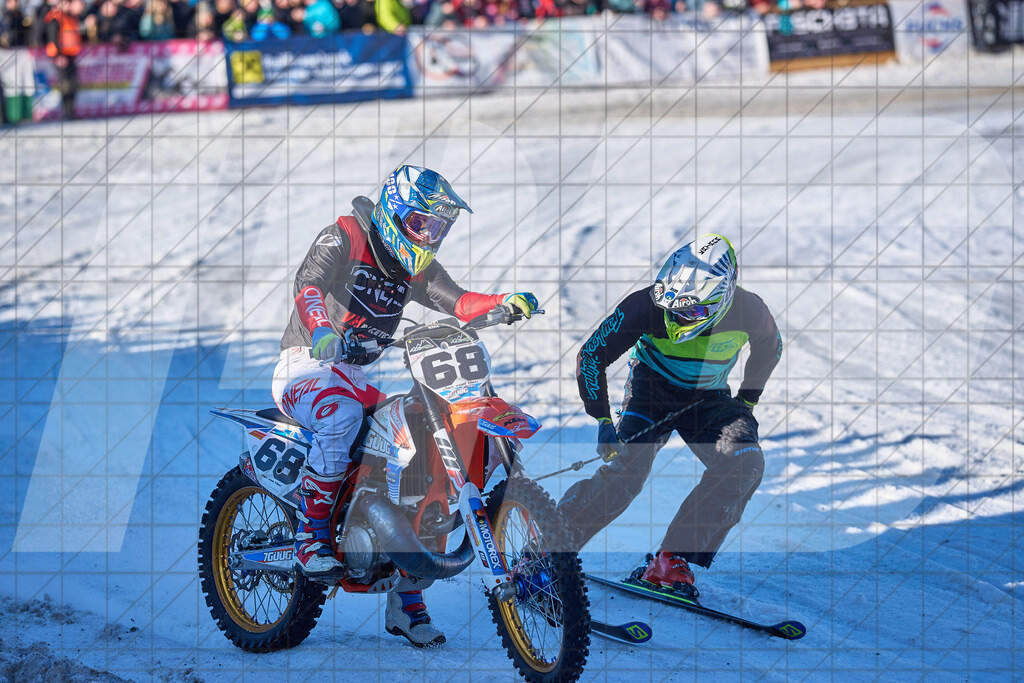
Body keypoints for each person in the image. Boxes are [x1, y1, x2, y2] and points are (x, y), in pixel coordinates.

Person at [271, 165, 539, 647]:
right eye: (423, 223)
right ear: (395, 211)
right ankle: (311, 535)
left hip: (354, 377)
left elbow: (458, 302)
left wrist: (504, 302)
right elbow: (307, 284)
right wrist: (321, 330)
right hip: (305, 365)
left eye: (438, 228)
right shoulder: (347, 235)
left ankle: (406, 598)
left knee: (419, 449)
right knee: (344, 416)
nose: (430, 236)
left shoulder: (413, 265)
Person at [557, 233, 782, 597]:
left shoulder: (751, 311)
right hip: (650, 391)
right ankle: (547, 553)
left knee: (745, 462)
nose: (677, 318)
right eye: (672, 309)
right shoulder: (645, 305)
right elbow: (592, 355)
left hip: (709, 399)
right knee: (625, 474)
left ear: (722, 298)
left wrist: (747, 403)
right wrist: (602, 421)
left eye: (689, 311)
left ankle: (669, 561)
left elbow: (771, 350)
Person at [43, 0, 81, 120]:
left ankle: (70, 111)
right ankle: (67, 113)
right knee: (66, 85)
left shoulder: (70, 17)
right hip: (61, 56)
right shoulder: (55, 17)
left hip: (70, 55)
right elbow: (52, 38)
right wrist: (58, 55)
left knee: (73, 84)